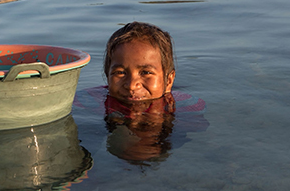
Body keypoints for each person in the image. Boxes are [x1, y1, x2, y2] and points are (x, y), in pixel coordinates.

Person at [74, 22, 207, 164]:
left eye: (146, 72)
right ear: (108, 76)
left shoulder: (185, 104)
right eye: (120, 73)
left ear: (168, 81)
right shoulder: (89, 101)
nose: (131, 85)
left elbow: (198, 127)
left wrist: (159, 120)